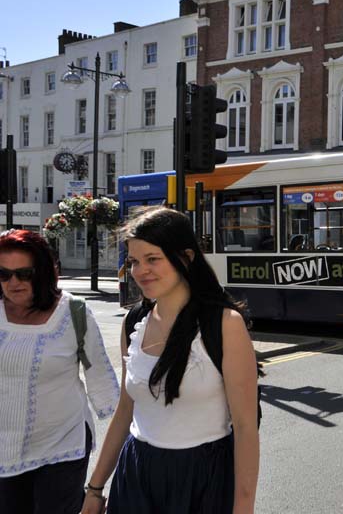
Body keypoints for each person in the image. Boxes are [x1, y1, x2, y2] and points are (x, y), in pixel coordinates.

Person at [81, 206, 259, 514]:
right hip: (137, 474)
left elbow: (245, 428)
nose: (140, 271)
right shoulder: (133, 322)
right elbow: (126, 410)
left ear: (186, 258)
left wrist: (243, 507)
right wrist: (95, 489)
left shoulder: (224, 324)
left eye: (153, 259)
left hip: (202, 478)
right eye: (134, 261)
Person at [0, 229, 119, 514]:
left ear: (41, 272)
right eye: (4, 274)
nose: (13, 282)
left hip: (61, 444)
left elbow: (101, 377)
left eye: (24, 273)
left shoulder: (73, 313)